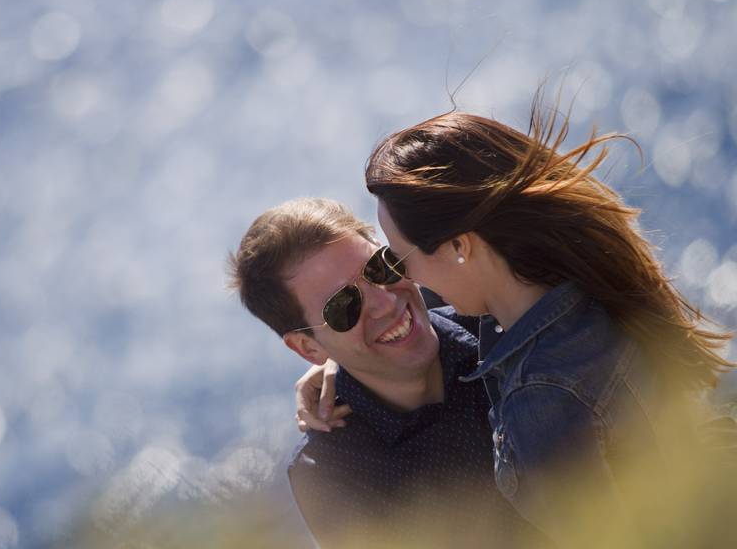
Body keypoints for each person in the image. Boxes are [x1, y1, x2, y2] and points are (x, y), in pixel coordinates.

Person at [295, 99, 736, 546]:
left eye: (399, 259)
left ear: (460, 246)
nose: (403, 280)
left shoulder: (540, 400)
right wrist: (340, 357)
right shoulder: (582, 283)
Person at [227, 198, 544, 548]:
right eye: (344, 306)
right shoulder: (333, 474)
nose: (386, 303)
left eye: (380, 267)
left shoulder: (500, 320)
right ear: (308, 348)